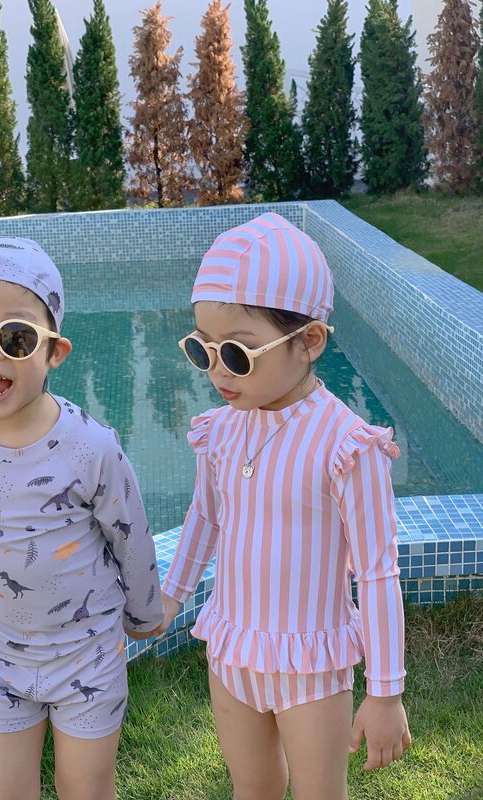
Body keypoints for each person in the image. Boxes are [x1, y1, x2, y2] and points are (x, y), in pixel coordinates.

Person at [155, 213, 411, 800]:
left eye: (237, 354)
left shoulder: (347, 447)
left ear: (309, 342)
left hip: (312, 665)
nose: (217, 371)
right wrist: (170, 597)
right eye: (202, 349)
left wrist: (385, 691)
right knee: (253, 788)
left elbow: (378, 572)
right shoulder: (221, 430)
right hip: (232, 652)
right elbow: (205, 518)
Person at [0, 236, 163, 800]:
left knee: (86, 789)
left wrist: (145, 614)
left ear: (54, 352)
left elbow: (131, 536)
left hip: (89, 657)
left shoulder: (91, 447)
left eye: (16, 337)